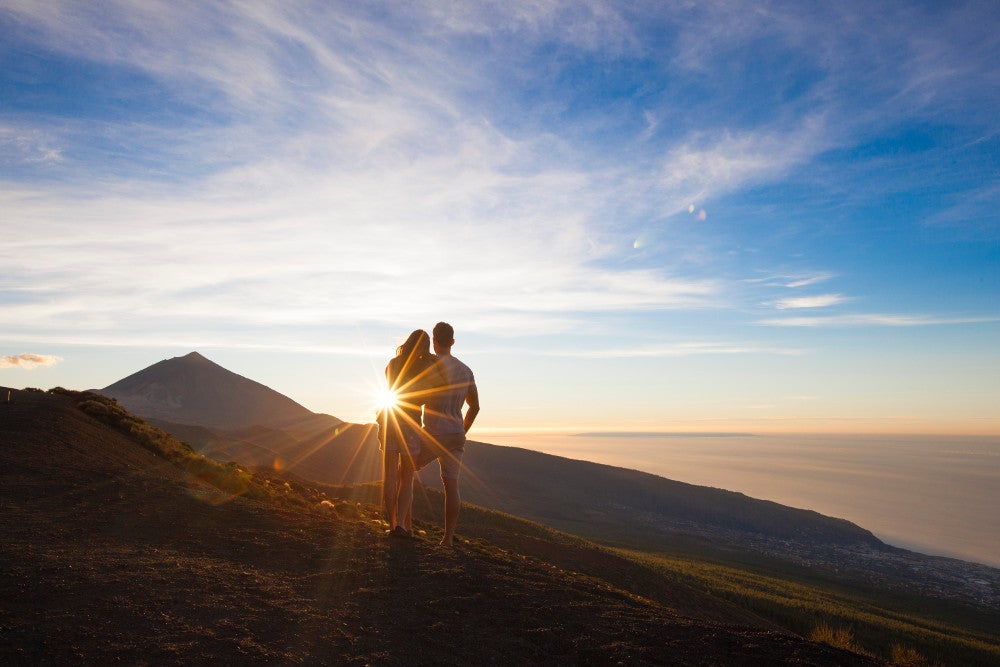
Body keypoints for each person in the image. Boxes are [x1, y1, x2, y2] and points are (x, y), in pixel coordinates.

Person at [407, 321, 480, 547]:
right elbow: (474, 407)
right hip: (456, 434)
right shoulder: (466, 370)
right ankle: (447, 539)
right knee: (452, 487)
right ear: (453, 342)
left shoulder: (430, 365)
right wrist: (462, 431)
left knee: (406, 469)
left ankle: (403, 524)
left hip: (432, 434)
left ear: (435, 342)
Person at [380, 329, 438, 538]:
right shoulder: (423, 367)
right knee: (407, 476)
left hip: (389, 417)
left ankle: (392, 522)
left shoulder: (392, 364)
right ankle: (401, 527)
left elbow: (390, 389)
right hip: (410, 421)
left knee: (389, 475)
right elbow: (426, 396)